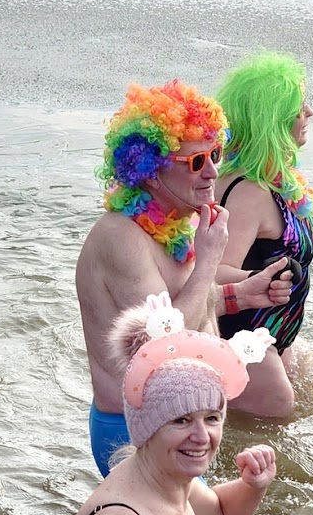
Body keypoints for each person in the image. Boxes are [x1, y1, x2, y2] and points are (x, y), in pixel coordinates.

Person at [76, 80, 294, 477]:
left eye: (215, 154)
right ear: (151, 170)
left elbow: (184, 303)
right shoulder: (121, 236)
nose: (213, 172)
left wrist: (242, 295)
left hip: (181, 422)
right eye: (196, 162)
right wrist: (209, 259)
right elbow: (163, 342)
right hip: (136, 432)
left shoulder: (175, 222)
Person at [65, 293, 278, 515]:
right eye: (181, 420)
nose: (202, 437)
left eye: (212, 418)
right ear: (147, 428)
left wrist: (252, 486)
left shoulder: (170, 479)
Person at [212, 52, 313, 418]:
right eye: (299, 107)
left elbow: (271, 231)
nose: (310, 113)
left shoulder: (273, 179)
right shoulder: (248, 192)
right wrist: (261, 276)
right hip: (242, 334)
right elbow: (212, 272)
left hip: (274, 330)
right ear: (273, 120)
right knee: (278, 410)